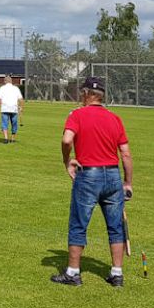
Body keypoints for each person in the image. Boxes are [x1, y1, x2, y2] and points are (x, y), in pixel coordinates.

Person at [51, 77, 133, 288]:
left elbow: (66, 140)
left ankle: (73, 273)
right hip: (113, 175)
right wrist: (127, 182)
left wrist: (67, 160)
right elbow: (125, 153)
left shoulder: (77, 114)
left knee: (79, 224)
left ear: (87, 93)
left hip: (89, 175)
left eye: (82, 92)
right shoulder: (115, 118)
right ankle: (117, 273)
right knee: (115, 227)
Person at [0, 75, 24, 143]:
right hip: (14, 109)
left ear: (5, 81)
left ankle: (6, 138)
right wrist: (21, 107)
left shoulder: (2, 88)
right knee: (14, 124)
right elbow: (21, 99)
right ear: (11, 81)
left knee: (4, 123)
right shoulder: (16, 88)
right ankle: (13, 138)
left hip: (5, 108)